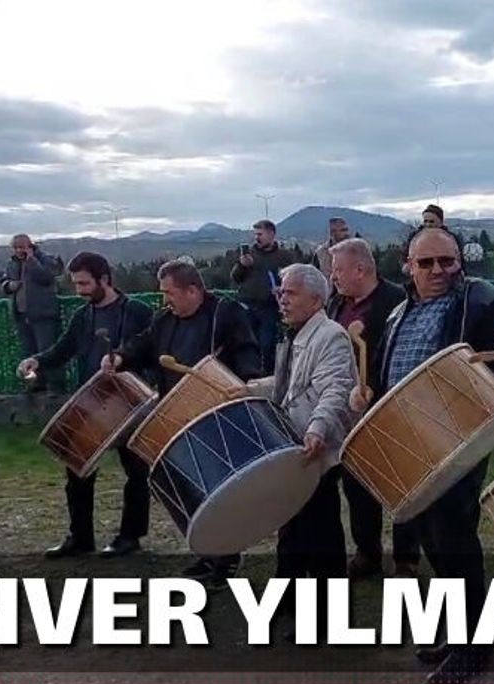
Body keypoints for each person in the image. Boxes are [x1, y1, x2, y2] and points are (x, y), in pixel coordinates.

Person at [352, 227, 494, 684]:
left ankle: (475, 645)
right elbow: (385, 367)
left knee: (453, 536)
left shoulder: (481, 301)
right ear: (408, 266)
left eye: (447, 261)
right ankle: (459, 634)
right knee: (432, 538)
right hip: (409, 436)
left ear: (460, 262)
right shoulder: (398, 313)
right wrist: (368, 390)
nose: (438, 271)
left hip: (458, 431)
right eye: (427, 263)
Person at [105, 259, 263, 590]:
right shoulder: (165, 319)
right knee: (187, 488)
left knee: (217, 490)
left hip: (216, 414)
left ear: (193, 290)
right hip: (176, 415)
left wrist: (246, 385)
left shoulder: (225, 313)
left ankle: (225, 558)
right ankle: (207, 552)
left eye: (170, 293)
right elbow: (143, 344)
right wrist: (119, 357)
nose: (165, 300)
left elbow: (247, 352)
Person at [18, 252, 155, 560]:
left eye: (84, 283)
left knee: (136, 472)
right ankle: (80, 538)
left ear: (104, 279)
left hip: (131, 402)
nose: (79, 290)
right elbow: (64, 349)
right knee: (77, 470)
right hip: (92, 401)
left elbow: (151, 350)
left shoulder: (137, 312)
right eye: (76, 283)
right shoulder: (83, 315)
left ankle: (130, 537)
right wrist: (37, 361)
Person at [265, 263, 357, 631]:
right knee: (291, 526)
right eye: (280, 293)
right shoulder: (296, 334)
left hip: (316, 448)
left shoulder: (331, 336)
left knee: (320, 531)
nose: (282, 300)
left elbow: (335, 387)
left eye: (290, 293)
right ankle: (288, 596)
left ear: (317, 300)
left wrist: (317, 429)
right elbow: (291, 386)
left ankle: (327, 614)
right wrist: (247, 388)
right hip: (294, 444)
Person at [325, 238, 420, 579]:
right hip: (350, 410)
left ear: (361, 269)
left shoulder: (398, 301)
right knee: (356, 483)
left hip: (392, 405)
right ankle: (368, 552)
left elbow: (404, 354)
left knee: (402, 481)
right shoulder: (336, 303)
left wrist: (374, 388)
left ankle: (406, 557)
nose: (333, 276)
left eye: (338, 270)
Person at [231, 219, 301, 375]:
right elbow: (235, 277)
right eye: (255, 234)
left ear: (271, 234)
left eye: (260, 234)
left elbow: (295, 278)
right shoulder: (248, 254)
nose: (257, 238)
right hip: (247, 305)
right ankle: (248, 373)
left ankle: (267, 375)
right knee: (247, 343)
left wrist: (282, 288)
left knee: (267, 344)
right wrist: (242, 266)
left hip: (269, 307)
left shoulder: (284, 256)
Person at [0, 233, 64, 393]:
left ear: (30, 246)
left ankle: (56, 386)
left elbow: (47, 277)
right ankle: (36, 383)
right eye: (15, 248)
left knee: (47, 351)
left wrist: (31, 261)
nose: (18, 251)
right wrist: (9, 285)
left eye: (21, 247)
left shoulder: (44, 259)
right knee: (29, 352)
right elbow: (3, 281)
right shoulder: (11, 263)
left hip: (43, 314)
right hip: (21, 315)